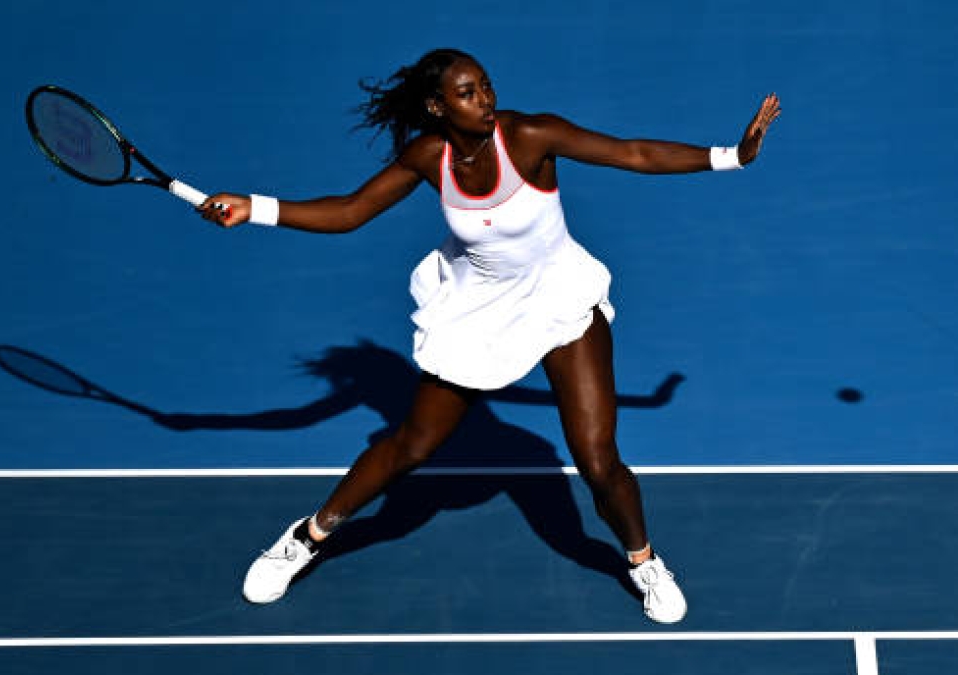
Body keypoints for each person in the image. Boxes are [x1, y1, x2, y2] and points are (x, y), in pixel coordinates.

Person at [198, 48, 780, 624]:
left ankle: (644, 562)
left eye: (485, 85)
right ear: (436, 106)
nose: (486, 100)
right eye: (467, 92)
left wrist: (733, 155)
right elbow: (351, 211)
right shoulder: (429, 157)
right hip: (481, 312)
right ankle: (307, 536)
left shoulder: (529, 136)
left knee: (599, 461)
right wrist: (256, 207)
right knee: (411, 448)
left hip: (558, 299)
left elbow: (634, 153)